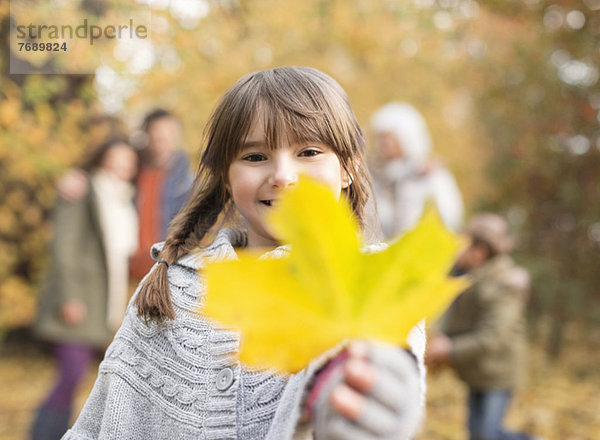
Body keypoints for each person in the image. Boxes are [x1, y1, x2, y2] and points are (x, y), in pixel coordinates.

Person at [62, 67, 426, 440]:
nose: (283, 175)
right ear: (226, 177)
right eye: (255, 157)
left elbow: (387, 385)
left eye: (309, 151)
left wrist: (353, 408)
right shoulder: (169, 291)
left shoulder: (378, 282)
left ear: (349, 168)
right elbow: (96, 429)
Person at [32, 139, 139, 440]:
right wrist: (70, 296)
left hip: (102, 302)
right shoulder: (83, 189)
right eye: (116, 158)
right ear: (101, 158)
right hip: (79, 300)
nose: (122, 165)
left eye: (128, 161)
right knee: (71, 376)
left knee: (76, 379)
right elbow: (63, 246)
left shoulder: (123, 198)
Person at [426, 213, 539, 440]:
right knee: (477, 434)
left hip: (497, 372)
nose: (458, 249)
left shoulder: (504, 284)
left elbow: (494, 337)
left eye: (464, 244)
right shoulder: (464, 274)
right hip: (477, 370)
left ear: (480, 251)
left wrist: (449, 349)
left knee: (487, 433)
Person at [56, 109, 193, 281]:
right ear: (146, 135)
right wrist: (76, 175)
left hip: (163, 273)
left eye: (168, 132)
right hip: (122, 270)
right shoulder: (134, 171)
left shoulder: (188, 185)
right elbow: (103, 172)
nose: (162, 138)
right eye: (156, 132)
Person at [370, 102, 464, 239]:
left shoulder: (430, 175)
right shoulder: (377, 176)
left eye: (388, 138)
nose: (383, 144)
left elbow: (450, 218)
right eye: (380, 138)